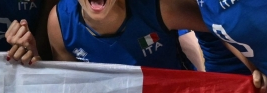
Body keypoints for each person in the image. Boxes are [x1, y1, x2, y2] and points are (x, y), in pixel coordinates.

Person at [37, 0, 193, 68]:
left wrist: (213, 70)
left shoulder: (158, 6)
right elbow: (70, 92)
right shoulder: (60, 21)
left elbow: (212, 26)